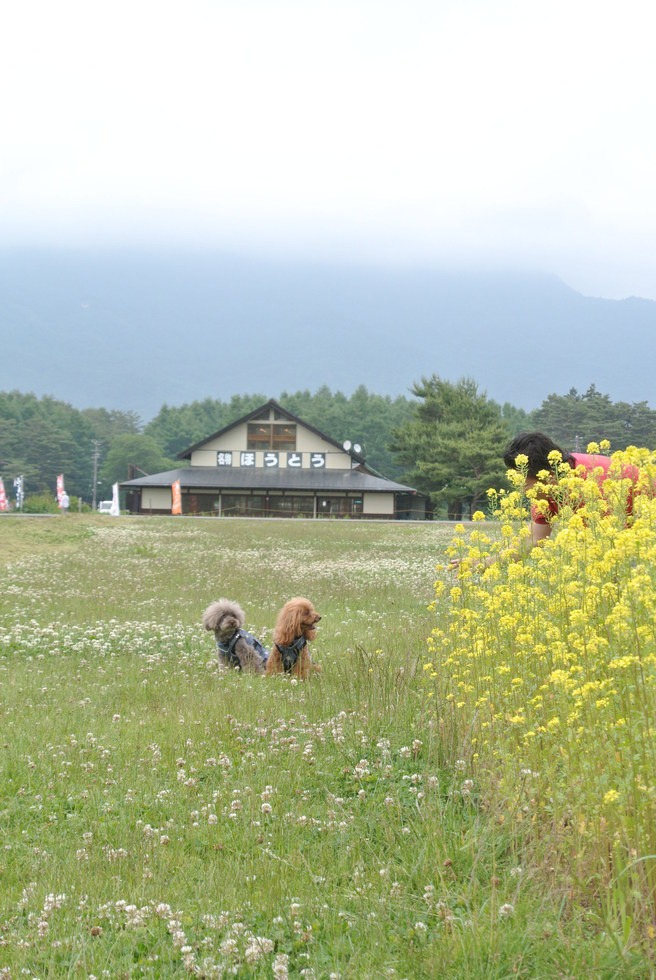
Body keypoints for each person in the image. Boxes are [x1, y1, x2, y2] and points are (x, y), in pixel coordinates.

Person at [502, 431, 640, 548]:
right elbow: (534, 539)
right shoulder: (544, 491)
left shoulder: (596, 484)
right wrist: (485, 563)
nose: (522, 491)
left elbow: (610, 542)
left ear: (548, 475)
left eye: (524, 484)